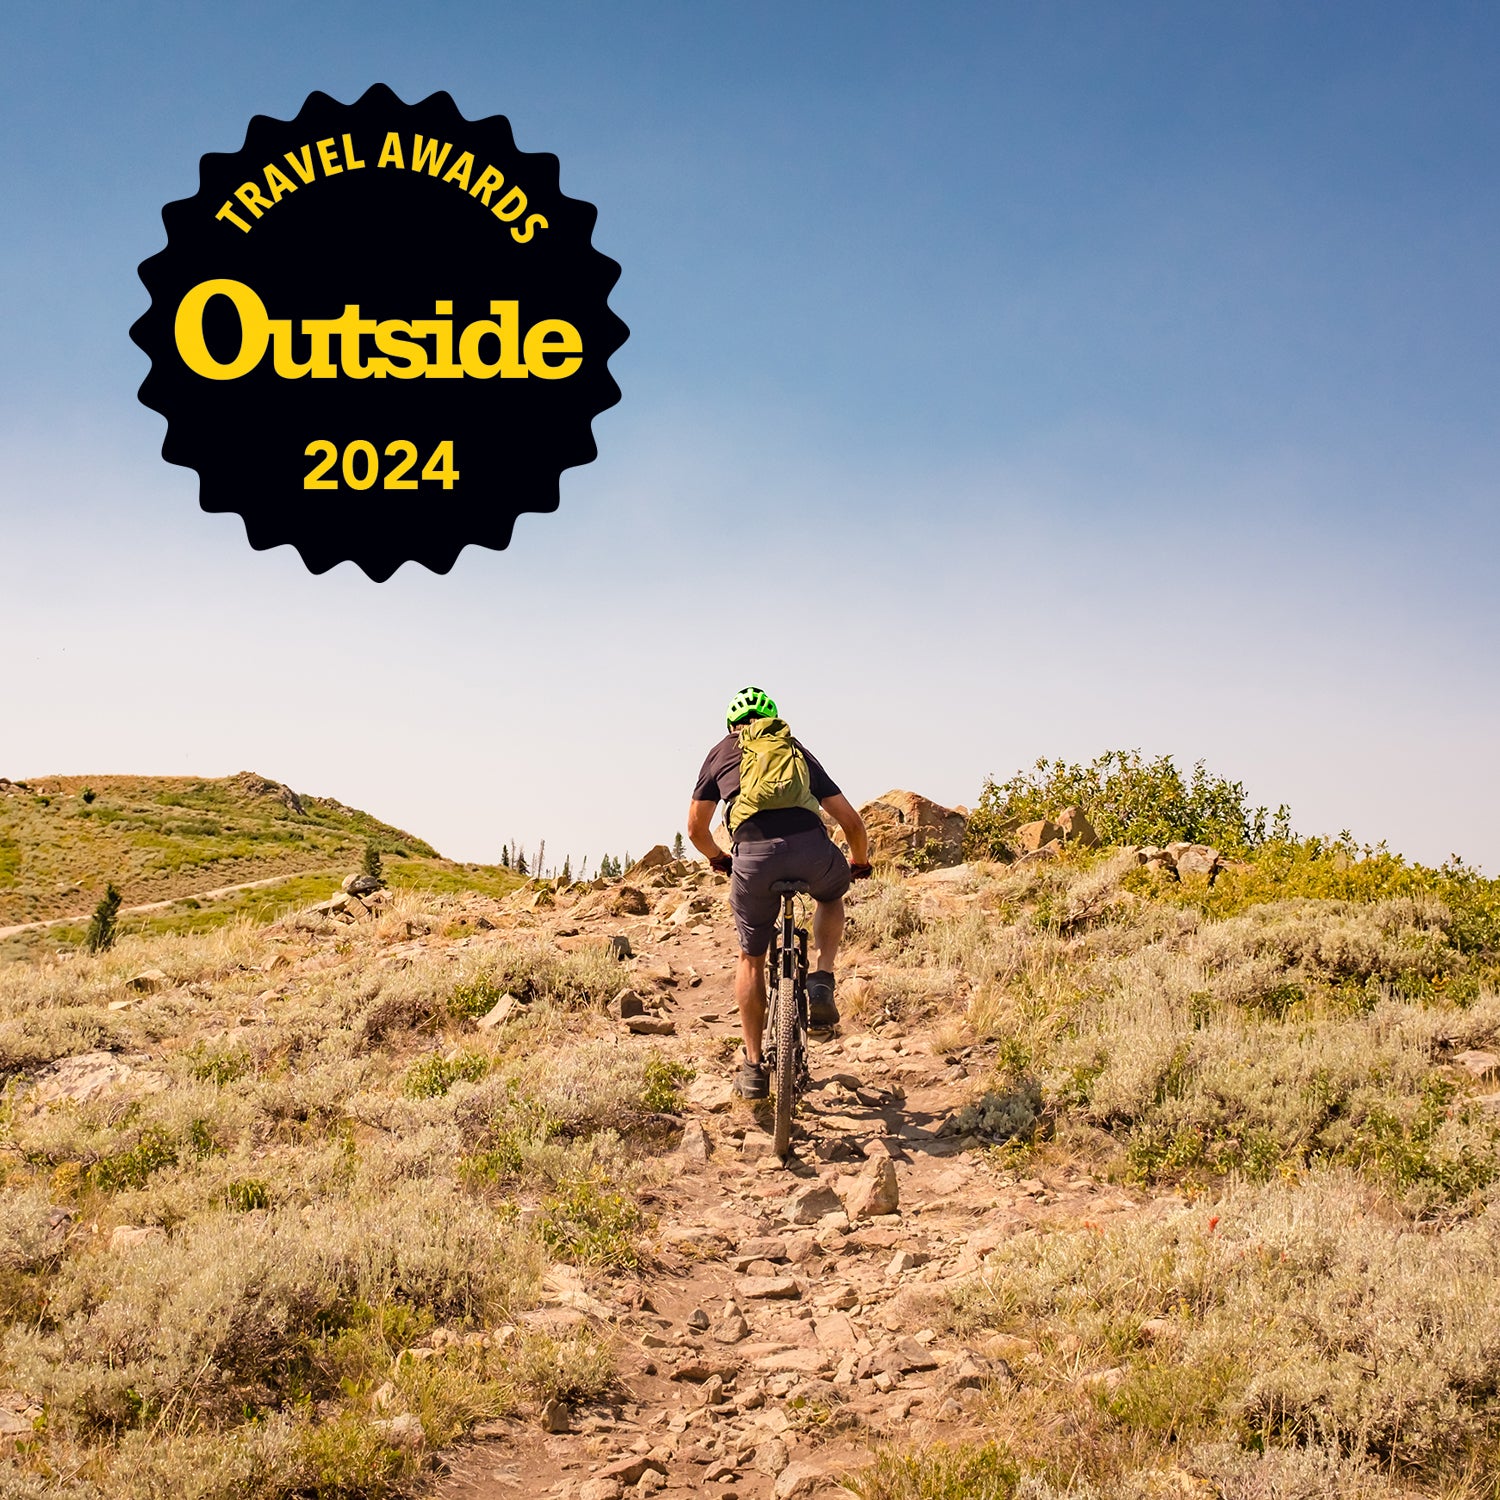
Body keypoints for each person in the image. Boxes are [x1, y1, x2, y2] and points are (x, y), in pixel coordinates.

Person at [687, 687, 872, 1099]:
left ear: (732, 726)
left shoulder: (720, 753)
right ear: (772, 718)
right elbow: (852, 823)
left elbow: (696, 830)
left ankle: (753, 1070)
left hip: (752, 858)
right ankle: (821, 977)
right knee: (830, 893)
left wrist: (720, 859)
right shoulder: (795, 749)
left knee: (750, 959)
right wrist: (857, 864)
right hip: (810, 849)